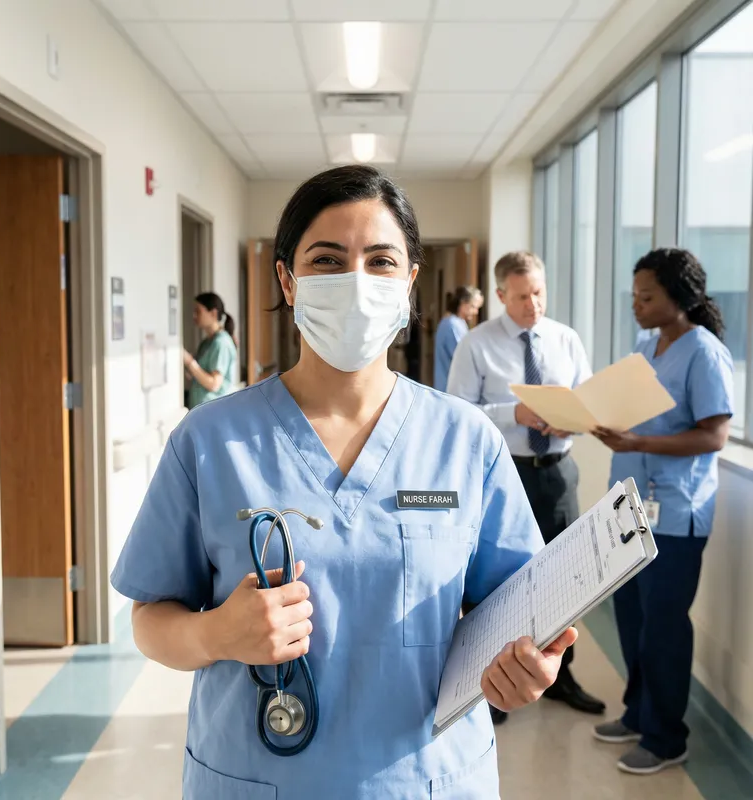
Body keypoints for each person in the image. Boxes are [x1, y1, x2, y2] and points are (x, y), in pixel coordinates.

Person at [110, 166, 577, 800]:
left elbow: (521, 613)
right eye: (327, 260)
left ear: (410, 282)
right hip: (255, 777)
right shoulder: (210, 441)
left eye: (381, 261)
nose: (355, 282)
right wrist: (215, 633)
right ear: (288, 279)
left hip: (427, 779)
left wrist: (531, 669)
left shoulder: (466, 442)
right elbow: (149, 617)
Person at [447, 251, 606, 723]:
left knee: (565, 575)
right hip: (501, 474)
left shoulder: (565, 339)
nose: (533, 304)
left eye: (538, 293)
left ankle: (562, 674)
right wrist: (511, 414)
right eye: (521, 296)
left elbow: (587, 399)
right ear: (500, 296)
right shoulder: (476, 344)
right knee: (494, 582)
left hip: (557, 469)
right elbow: (458, 411)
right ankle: (490, 680)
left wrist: (571, 423)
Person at [592, 248, 733, 775]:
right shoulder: (646, 347)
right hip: (631, 505)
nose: (637, 305)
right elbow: (636, 417)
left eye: (646, 297)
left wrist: (638, 442)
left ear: (680, 298)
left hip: (677, 513)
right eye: (634, 295)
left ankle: (667, 736)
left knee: (664, 627)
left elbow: (714, 434)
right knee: (630, 615)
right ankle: (639, 712)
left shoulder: (704, 352)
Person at [182, 292, 237, 408]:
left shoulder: (221, 343)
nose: (194, 316)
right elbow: (199, 375)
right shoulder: (206, 343)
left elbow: (214, 384)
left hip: (214, 412)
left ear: (213, 313)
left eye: (198, 311)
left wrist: (190, 362)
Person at [434, 285, 483, 391]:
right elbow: (465, 357)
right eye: (473, 307)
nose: (476, 312)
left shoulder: (458, 323)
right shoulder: (452, 324)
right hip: (450, 388)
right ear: (462, 303)